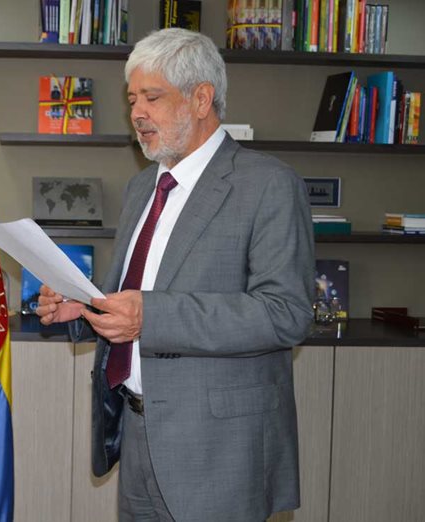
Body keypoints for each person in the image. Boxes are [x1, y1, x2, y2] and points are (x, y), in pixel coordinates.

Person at [37, 28, 314, 522]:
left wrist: (151, 316)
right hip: (137, 433)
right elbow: (133, 295)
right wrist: (84, 309)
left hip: (219, 451)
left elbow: (286, 313)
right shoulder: (144, 186)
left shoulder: (268, 184)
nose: (137, 113)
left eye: (152, 97)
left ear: (201, 98)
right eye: (132, 99)